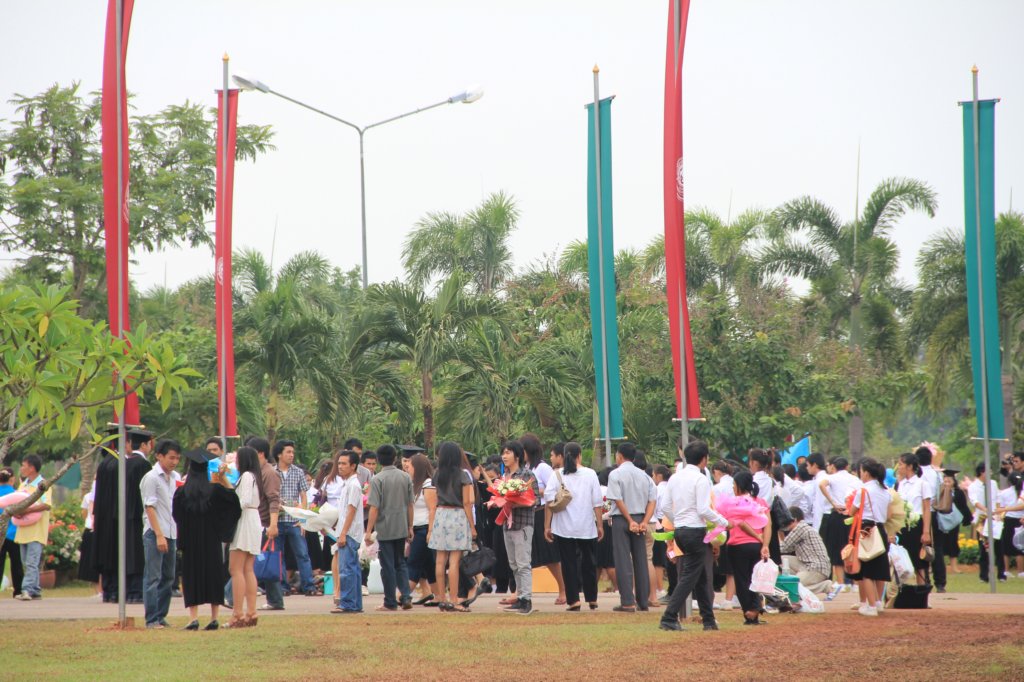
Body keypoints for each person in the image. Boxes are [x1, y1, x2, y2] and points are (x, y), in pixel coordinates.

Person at [658, 440, 731, 632]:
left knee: (700, 577)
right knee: (689, 577)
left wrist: (678, 520)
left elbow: (665, 506)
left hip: (681, 531)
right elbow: (703, 509)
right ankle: (669, 617)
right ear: (704, 459)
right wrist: (723, 522)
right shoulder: (701, 479)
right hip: (695, 530)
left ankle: (709, 620)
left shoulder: (675, 478)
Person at [173, 449, 241, 631]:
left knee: (191, 575)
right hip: (211, 538)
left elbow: (177, 516)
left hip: (190, 540)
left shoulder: (181, 492)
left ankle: (193, 618)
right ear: (206, 469)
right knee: (213, 574)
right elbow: (233, 504)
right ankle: (214, 617)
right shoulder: (216, 489)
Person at [93, 427, 153, 603]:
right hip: (132, 515)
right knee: (133, 553)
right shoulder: (137, 464)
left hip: (109, 515)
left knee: (112, 553)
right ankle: (133, 591)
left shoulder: (107, 463)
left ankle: (111, 591)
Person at [543, 442, 603, 611]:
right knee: (589, 562)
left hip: (563, 527)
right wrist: (600, 525)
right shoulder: (590, 474)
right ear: (579, 456)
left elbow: (549, 501)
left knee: (568, 564)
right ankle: (592, 598)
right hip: (586, 526)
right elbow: (597, 502)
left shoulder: (557, 475)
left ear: (563, 455)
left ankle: (574, 601)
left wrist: (547, 526)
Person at [606, 442, 657, 613]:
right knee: (641, 560)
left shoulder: (615, 474)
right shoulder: (645, 476)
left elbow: (618, 499)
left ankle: (628, 602)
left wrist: (629, 520)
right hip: (641, 518)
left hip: (622, 519)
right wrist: (644, 521)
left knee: (623, 561)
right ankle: (643, 601)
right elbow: (652, 501)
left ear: (619, 456)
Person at [717, 471, 772, 626]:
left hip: (737, 546)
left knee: (742, 580)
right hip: (756, 546)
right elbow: (768, 525)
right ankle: (753, 612)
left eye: (734, 485)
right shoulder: (760, 502)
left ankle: (750, 612)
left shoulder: (734, 503)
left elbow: (740, 523)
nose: (733, 488)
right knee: (756, 579)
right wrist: (764, 544)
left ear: (739, 486)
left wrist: (758, 538)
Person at [365, 444, 415, 611]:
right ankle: (406, 595)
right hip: (401, 525)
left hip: (384, 527)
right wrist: (410, 526)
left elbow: (374, 507)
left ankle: (390, 601)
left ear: (379, 460)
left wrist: (369, 531)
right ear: (395, 458)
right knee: (400, 563)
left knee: (387, 565)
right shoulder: (405, 477)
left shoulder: (377, 479)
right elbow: (410, 504)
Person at [140, 440, 182, 628]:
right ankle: (151, 619)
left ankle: (161, 615)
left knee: (169, 577)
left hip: (172, 531)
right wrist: (158, 535)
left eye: (177, 458)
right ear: (159, 456)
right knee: (153, 577)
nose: (174, 462)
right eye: (171, 458)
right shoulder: (151, 478)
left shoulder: (175, 477)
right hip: (155, 532)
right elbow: (149, 507)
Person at [522, 433, 566, 606]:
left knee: (550, 557)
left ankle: (563, 589)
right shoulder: (524, 468)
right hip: (527, 513)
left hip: (541, 513)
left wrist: (533, 490)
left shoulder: (542, 468)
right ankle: (521, 593)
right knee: (524, 556)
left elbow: (555, 490)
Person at [498, 440, 539, 615]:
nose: (504, 456)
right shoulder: (505, 476)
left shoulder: (527, 475)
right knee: (513, 564)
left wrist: (516, 502)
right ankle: (520, 597)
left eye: (508, 452)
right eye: (503, 453)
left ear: (517, 456)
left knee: (523, 563)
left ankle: (526, 600)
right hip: (508, 525)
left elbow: (535, 499)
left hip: (522, 524)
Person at [272, 440, 316, 598]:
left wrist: (302, 519)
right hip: (276, 520)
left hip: (294, 521)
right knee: (278, 555)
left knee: (302, 554)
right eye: (288, 452)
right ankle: (282, 587)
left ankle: (308, 586)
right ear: (279, 454)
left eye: (292, 452)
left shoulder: (298, 472)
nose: (291, 455)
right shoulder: (271, 472)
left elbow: (304, 496)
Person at [226, 446, 263, 628]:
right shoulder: (254, 476)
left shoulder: (247, 476)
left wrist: (231, 508)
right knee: (247, 568)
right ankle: (251, 612)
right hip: (253, 519)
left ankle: (238, 613)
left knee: (236, 569)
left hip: (245, 519)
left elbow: (244, 500)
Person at [850, 458, 891, 617]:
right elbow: (888, 515)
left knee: (866, 571)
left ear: (866, 473)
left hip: (866, 530)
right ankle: (879, 603)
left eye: (861, 471)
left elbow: (852, 511)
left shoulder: (863, 491)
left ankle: (871, 606)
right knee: (880, 569)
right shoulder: (886, 491)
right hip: (881, 529)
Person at [246, 437, 282, 611]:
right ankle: (275, 600)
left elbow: (274, 500)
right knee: (265, 561)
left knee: (248, 561)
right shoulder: (256, 472)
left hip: (264, 524)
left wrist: (273, 525)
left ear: (260, 453)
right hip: (257, 523)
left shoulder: (269, 473)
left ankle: (229, 594)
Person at [817, 457, 862, 588]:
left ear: (833, 467)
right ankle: (855, 582)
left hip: (837, 514)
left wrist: (833, 502)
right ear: (847, 466)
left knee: (836, 548)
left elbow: (821, 484)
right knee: (851, 547)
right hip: (852, 515)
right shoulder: (855, 479)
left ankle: (841, 582)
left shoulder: (832, 478)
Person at [330, 450, 365, 614]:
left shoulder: (353, 485)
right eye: (339, 463)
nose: (340, 466)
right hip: (347, 531)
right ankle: (355, 604)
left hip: (349, 532)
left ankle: (348, 603)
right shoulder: (348, 484)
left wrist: (343, 532)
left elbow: (351, 510)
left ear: (353, 466)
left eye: (344, 464)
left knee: (346, 570)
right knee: (353, 569)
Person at [12, 456, 51, 601]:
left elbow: (46, 504)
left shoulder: (43, 484)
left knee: (31, 562)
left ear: (32, 468)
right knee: (26, 562)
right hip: (23, 529)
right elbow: (16, 501)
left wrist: (26, 510)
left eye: (23, 465)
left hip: (36, 531)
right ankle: (35, 590)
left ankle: (27, 589)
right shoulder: (23, 485)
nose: (21, 468)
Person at [406, 453, 440, 605]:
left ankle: (402, 595)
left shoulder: (428, 484)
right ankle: (439, 596)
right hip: (417, 527)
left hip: (425, 528)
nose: (407, 469)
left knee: (413, 562)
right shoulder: (416, 485)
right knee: (429, 565)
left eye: (410, 466)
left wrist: (430, 531)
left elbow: (432, 509)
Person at [896, 453, 933, 585]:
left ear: (910, 466)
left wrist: (926, 531)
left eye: (901, 464)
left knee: (919, 563)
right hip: (902, 526)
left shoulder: (922, 484)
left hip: (917, 524)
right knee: (901, 562)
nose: (898, 467)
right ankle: (901, 592)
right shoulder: (900, 484)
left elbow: (927, 509)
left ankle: (922, 590)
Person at [779, 507, 832, 594]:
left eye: (786, 520)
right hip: (807, 564)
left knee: (793, 586)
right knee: (780, 559)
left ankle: (824, 586)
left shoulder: (800, 528)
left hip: (816, 567)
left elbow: (783, 547)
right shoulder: (803, 528)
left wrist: (765, 546)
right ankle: (790, 582)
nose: (784, 523)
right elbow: (787, 549)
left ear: (794, 519)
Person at [968, 463, 1005, 582]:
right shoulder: (973, 486)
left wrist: (998, 512)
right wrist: (986, 511)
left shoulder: (993, 483)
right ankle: (984, 576)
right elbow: (975, 501)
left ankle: (1001, 575)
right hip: (982, 520)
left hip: (995, 518)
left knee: (999, 548)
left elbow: (998, 498)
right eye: (989, 471)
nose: (991, 473)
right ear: (982, 472)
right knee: (984, 549)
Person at [0, 468, 25, 599]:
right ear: (12, 479)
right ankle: (18, 590)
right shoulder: (16, 494)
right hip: (14, 534)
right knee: (16, 563)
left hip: (0, 534)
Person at [998, 473, 1024, 579]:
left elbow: (1001, 507)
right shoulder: (1021, 492)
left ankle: (1006, 570)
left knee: (1006, 546)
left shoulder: (1004, 493)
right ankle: (1021, 571)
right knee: (1020, 546)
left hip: (1008, 520)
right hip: (1020, 520)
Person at [805, 453, 829, 532]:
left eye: (808, 465)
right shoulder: (824, 478)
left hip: (823, 518)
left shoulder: (820, 480)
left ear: (815, 465)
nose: (807, 468)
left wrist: (816, 529)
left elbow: (819, 504)